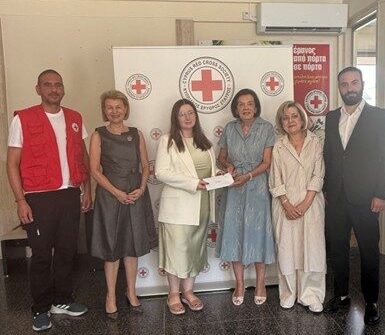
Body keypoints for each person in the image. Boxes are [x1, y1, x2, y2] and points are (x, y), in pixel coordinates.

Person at [6, 69, 92, 332]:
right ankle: (41, 308)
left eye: (58, 85)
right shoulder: (23, 119)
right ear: (38, 89)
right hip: (38, 197)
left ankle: (62, 300)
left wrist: (87, 189)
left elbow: (83, 157)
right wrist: (20, 201)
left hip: (69, 194)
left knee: (67, 251)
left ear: (63, 89)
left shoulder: (75, 118)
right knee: (42, 255)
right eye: (48, 85)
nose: (54, 89)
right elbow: (12, 163)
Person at [323, 66, 385, 325]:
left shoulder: (380, 116)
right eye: (344, 84)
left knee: (368, 250)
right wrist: (327, 189)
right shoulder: (331, 117)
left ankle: (371, 302)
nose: (350, 88)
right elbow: (330, 155)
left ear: (362, 84)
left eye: (354, 83)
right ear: (339, 88)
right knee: (337, 248)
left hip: (367, 197)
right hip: (336, 197)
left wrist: (381, 194)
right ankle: (341, 295)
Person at [89, 90, 157, 320]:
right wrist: (116, 192)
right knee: (112, 247)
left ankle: (131, 292)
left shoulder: (136, 134)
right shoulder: (98, 135)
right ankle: (110, 296)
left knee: (132, 244)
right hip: (110, 196)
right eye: (109, 107)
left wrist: (142, 187)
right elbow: (94, 170)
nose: (114, 111)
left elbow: (145, 166)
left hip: (135, 194)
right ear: (104, 110)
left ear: (126, 109)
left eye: (118, 107)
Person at [155, 99, 216, 315]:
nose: (188, 117)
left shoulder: (204, 140)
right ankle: (173, 294)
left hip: (202, 205)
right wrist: (193, 183)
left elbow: (208, 170)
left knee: (195, 249)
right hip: (178, 208)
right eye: (182, 114)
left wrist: (220, 175)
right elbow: (161, 172)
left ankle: (188, 292)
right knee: (176, 251)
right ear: (176, 118)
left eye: (191, 113)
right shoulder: (168, 140)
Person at [216, 88, 275, 306]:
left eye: (250, 103)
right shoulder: (229, 128)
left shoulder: (267, 128)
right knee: (234, 234)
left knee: (258, 235)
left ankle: (260, 284)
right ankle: (239, 285)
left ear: (256, 107)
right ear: (236, 108)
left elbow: (267, 162)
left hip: (257, 186)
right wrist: (228, 166)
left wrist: (248, 175)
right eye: (241, 104)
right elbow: (221, 157)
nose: (246, 108)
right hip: (233, 187)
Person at [269, 101, 326, 312]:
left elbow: (318, 174)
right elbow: (275, 178)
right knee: (287, 248)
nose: (290, 121)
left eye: (294, 116)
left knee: (312, 249)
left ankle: (311, 295)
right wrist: (286, 204)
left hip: (311, 202)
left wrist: (306, 202)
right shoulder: (278, 146)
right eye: (285, 118)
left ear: (302, 119)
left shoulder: (315, 141)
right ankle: (289, 293)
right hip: (284, 204)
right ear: (281, 122)